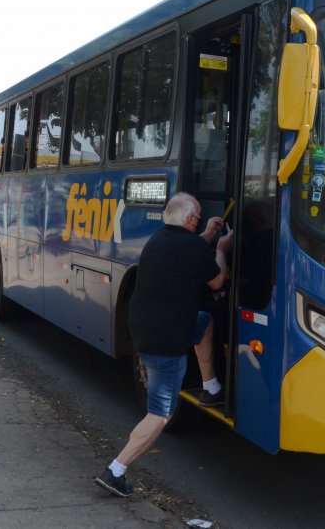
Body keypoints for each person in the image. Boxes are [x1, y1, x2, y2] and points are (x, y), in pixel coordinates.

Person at [94, 192, 234, 498]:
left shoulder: (158, 240)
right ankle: (115, 470)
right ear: (190, 220)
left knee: (204, 322)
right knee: (160, 414)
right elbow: (218, 281)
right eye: (197, 214)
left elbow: (192, 249)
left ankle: (210, 386)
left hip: (146, 331)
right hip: (166, 344)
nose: (199, 219)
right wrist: (221, 248)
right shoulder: (195, 247)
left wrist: (209, 234)